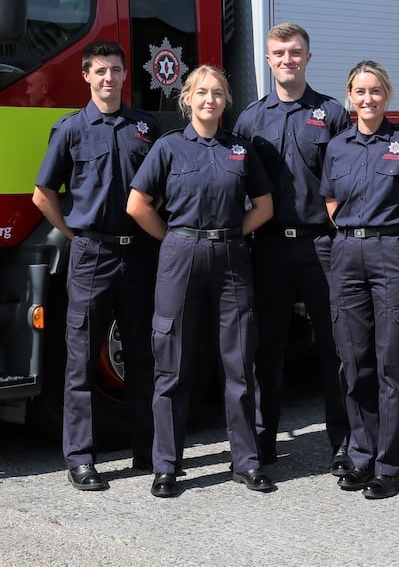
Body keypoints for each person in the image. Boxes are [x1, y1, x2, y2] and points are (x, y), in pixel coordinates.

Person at [126, 65, 275, 498]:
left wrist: (231, 235)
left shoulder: (241, 151)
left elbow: (263, 207)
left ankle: (246, 462)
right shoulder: (168, 148)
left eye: (218, 93)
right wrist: (174, 239)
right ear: (187, 98)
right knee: (172, 361)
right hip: (181, 254)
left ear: (226, 101)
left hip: (231, 255)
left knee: (239, 363)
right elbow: (138, 205)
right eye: (202, 92)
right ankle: (167, 465)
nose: (210, 100)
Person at [32, 40, 160, 492]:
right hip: (92, 256)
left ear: (127, 76)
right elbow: (43, 193)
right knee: (81, 358)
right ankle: (81, 458)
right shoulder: (69, 130)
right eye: (100, 71)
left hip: (140, 253)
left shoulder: (147, 127)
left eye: (116, 71)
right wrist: (73, 235)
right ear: (86, 76)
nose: (109, 78)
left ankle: (149, 451)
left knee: (144, 355)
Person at [233, 23, 351, 474]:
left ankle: (344, 443)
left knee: (335, 346)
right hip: (268, 248)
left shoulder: (332, 114)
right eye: (279, 52)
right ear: (268, 60)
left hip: (321, 244)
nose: (288, 59)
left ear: (308, 57)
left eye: (296, 51)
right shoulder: (248, 120)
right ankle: (261, 445)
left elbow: (348, 179)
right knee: (266, 349)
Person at [320, 61, 399, 500]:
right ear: (349, 96)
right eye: (359, 91)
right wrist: (357, 236)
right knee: (353, 360)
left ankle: (390, 466)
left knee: (392, 362)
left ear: (386, 95)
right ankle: (360, 455)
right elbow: (331, 202)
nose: (367, 98)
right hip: (347, 253)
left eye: (375, 91)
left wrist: (398, 242)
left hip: (392, 253)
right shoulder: (337, 148)